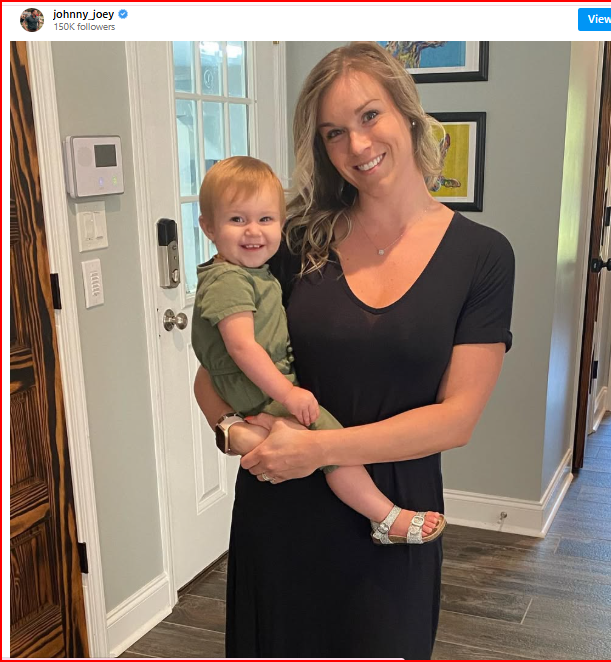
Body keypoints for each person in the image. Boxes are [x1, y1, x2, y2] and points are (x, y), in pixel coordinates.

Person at [194, 41, 514, 659]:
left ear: (407, 113)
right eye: (334, 132)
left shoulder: (483, 256)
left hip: (390, 517)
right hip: (280, 509)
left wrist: (317, 448)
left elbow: (457, 419)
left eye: (370, 116)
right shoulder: (293, 239)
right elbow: (213, 372)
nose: (358, 145)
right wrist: (237, 434)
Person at [192, 155, 445, 544]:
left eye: (265, 219)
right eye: (237, 219)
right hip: (259, 388)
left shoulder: (252, 272)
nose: (253, 231)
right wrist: (285, 394)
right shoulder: (230, 280)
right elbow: (241, 349)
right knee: (328, 441)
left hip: (260, 390)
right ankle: (384, 517)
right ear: (208, 227)